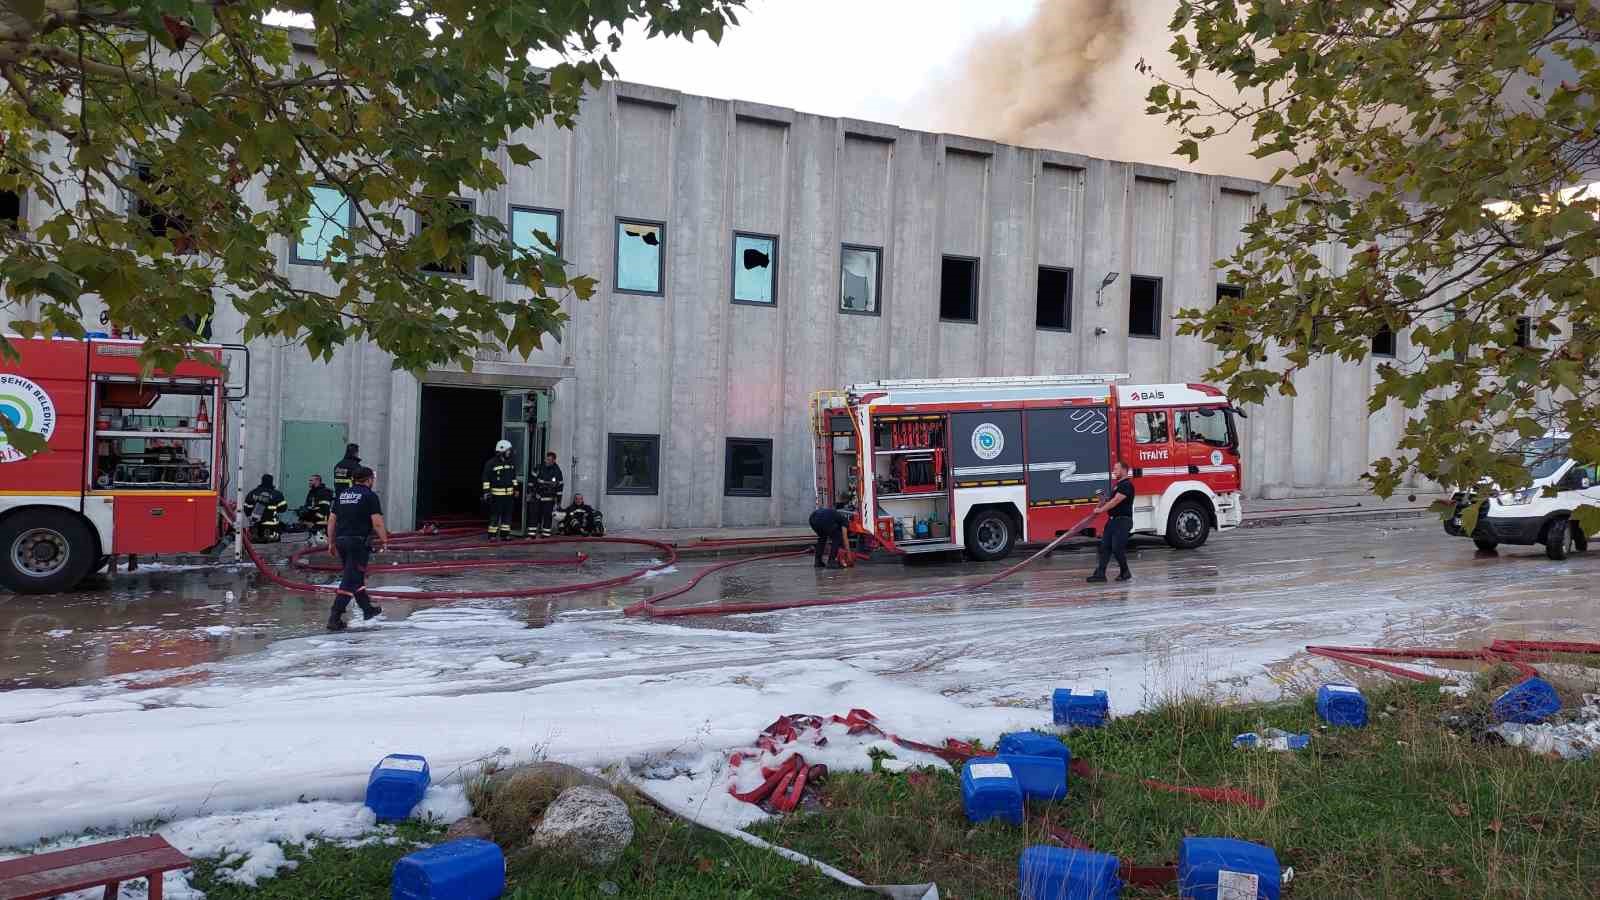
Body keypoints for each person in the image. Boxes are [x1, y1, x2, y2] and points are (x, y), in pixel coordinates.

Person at [326, 466, 388, 631]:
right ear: (369, 480)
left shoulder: (342, 495)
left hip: (341, 541)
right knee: (350, 579)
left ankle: (367, 609)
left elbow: (332, 521)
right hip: (358, 542)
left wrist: (331, 542)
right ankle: (335, 616)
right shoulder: (370, 496)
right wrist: (384, 540)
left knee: (355, 576)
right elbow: (377, 522)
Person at [1087, 460, 1135, 583]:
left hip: (1123, 521)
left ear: (1124, 470)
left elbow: (1115, 501)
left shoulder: (1126, 485)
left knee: (1117, 548)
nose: (1114, 471)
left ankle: (1125, 572)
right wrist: (1103, 499)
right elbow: (1111, 500)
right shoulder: (1117, 485)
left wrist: (1100, 510)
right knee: (1105, 547)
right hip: (1113, 521)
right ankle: (1100, 574)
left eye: (1116, 469)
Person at [481, 439, 521, 541]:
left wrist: (516, 489)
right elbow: (486, 479)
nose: (509, 452)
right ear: (502, 451)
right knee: (495, 515)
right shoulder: (491, 463)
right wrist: (486, 492)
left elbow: (514, 478)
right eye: (508, 450)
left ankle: (505, 534)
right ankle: (492, 535)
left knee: (507, 516)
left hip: (509, 495)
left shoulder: (511, 463)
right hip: (496, 496)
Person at [809, 499, 853, 569]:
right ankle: (831, 561)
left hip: (813, 518)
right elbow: (845, 537)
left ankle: (818, 561)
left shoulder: (836, 516)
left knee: (822, 538)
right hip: (824, 519)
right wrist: (849, 555)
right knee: (838, 537)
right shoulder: (845, 521)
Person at [530, 451, 564, 538]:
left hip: (549, 498)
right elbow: (532, 480)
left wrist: (558, 501)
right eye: (546, 459)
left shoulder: (557, 471)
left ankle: (545, 534)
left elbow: (560, 487)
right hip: (537, 496)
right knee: (534, 514)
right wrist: (531, 493)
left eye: (549, 460)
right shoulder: (539, 467)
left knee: (547, 516)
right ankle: (531, 534)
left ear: (554, 461)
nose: (547, 461)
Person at [244, 474, 288, 543]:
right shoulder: (277, 494)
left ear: (262, 481)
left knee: (255, 549)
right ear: (272, 482)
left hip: (256, 529)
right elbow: (283, 509)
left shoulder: (253, 493)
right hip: (272, 529)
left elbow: (246, 508)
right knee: (273, 549)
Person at [297, 474, 334, 541]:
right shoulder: (311, 492)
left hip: (321, 524)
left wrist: (312, 521)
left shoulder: (324, 492)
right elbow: (308, 507)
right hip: (312, 524)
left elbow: (324, 510)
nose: (309, 482)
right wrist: (302, 515)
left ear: (317, 481)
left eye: (311, 480)